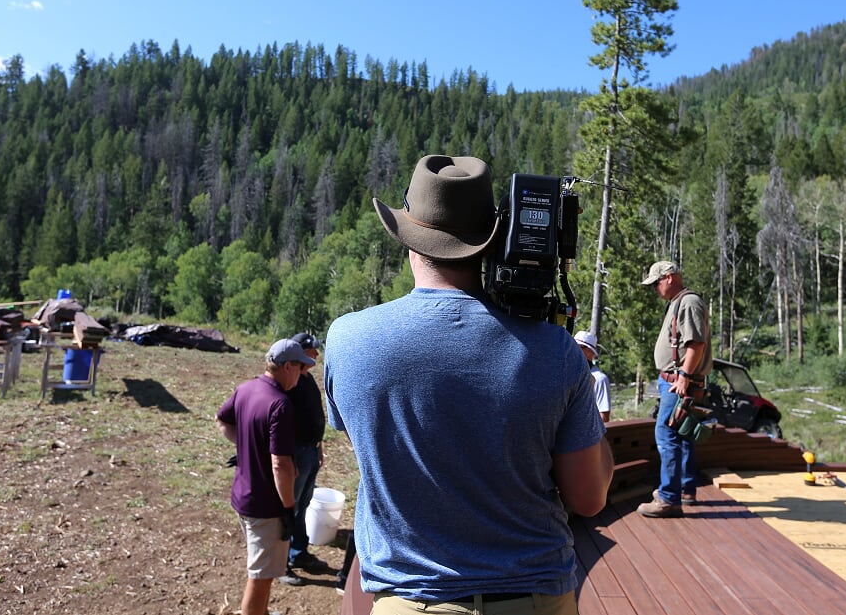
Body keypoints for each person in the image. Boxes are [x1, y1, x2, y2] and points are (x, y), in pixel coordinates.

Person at [324, 153, 613, 615]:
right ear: (492, 241)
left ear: (408, 237)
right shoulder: (557, 351)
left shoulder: (348, 340)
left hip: (411, 600)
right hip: (533, 599)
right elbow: (589, 497)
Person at [216, 338, 315, 615]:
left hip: (243, 497)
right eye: (300, 367)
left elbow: (222, 420)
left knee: (259, 569)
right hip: (266, 507)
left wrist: (247, 447)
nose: (303, 373)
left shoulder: (247, 388)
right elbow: (281, 464)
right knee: (260, 578)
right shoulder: (280, 404)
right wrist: (288, 507)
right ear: (286, 367)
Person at [636, 261, 710, 519]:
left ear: (669, 277)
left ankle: (668, 498)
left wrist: (684, 377)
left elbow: (696, 344)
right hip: (680, 382)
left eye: (656, 283)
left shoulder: (687, 302)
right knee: (683, 434)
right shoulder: (680, 302)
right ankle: (685, 490)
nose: (655, 289)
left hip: (679, 383)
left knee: (666, 435)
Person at [278, 331, 330, 586]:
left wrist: (318, 447)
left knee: (303, 505)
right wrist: (290, 458)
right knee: (289, 507)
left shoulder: (306, 379)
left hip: (310, 451)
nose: (316, 354)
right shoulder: (291, 383)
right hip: (296, 453)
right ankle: (281, 563)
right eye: (312, 350)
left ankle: (298, 553)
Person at [575, 330, 611, 423]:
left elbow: (604, 417)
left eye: (580, 347)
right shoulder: (569, 374)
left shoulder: (600, 379)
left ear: (591, 352)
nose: (574, 350)